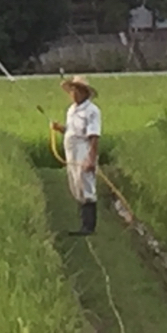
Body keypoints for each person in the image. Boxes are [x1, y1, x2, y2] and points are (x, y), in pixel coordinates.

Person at [51, 75, 102, 235]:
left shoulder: (92, 111)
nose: (73, 94)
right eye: (72, 90)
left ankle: (89, 226)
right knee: (75, 185)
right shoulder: (71, 110)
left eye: (77, 90)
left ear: (84, 92)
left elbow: (93, 135)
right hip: (71, 153)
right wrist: (60, 129)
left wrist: (90, 158)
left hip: (83, 151)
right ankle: (82, 223)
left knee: (85, 185)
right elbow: (72, 130)